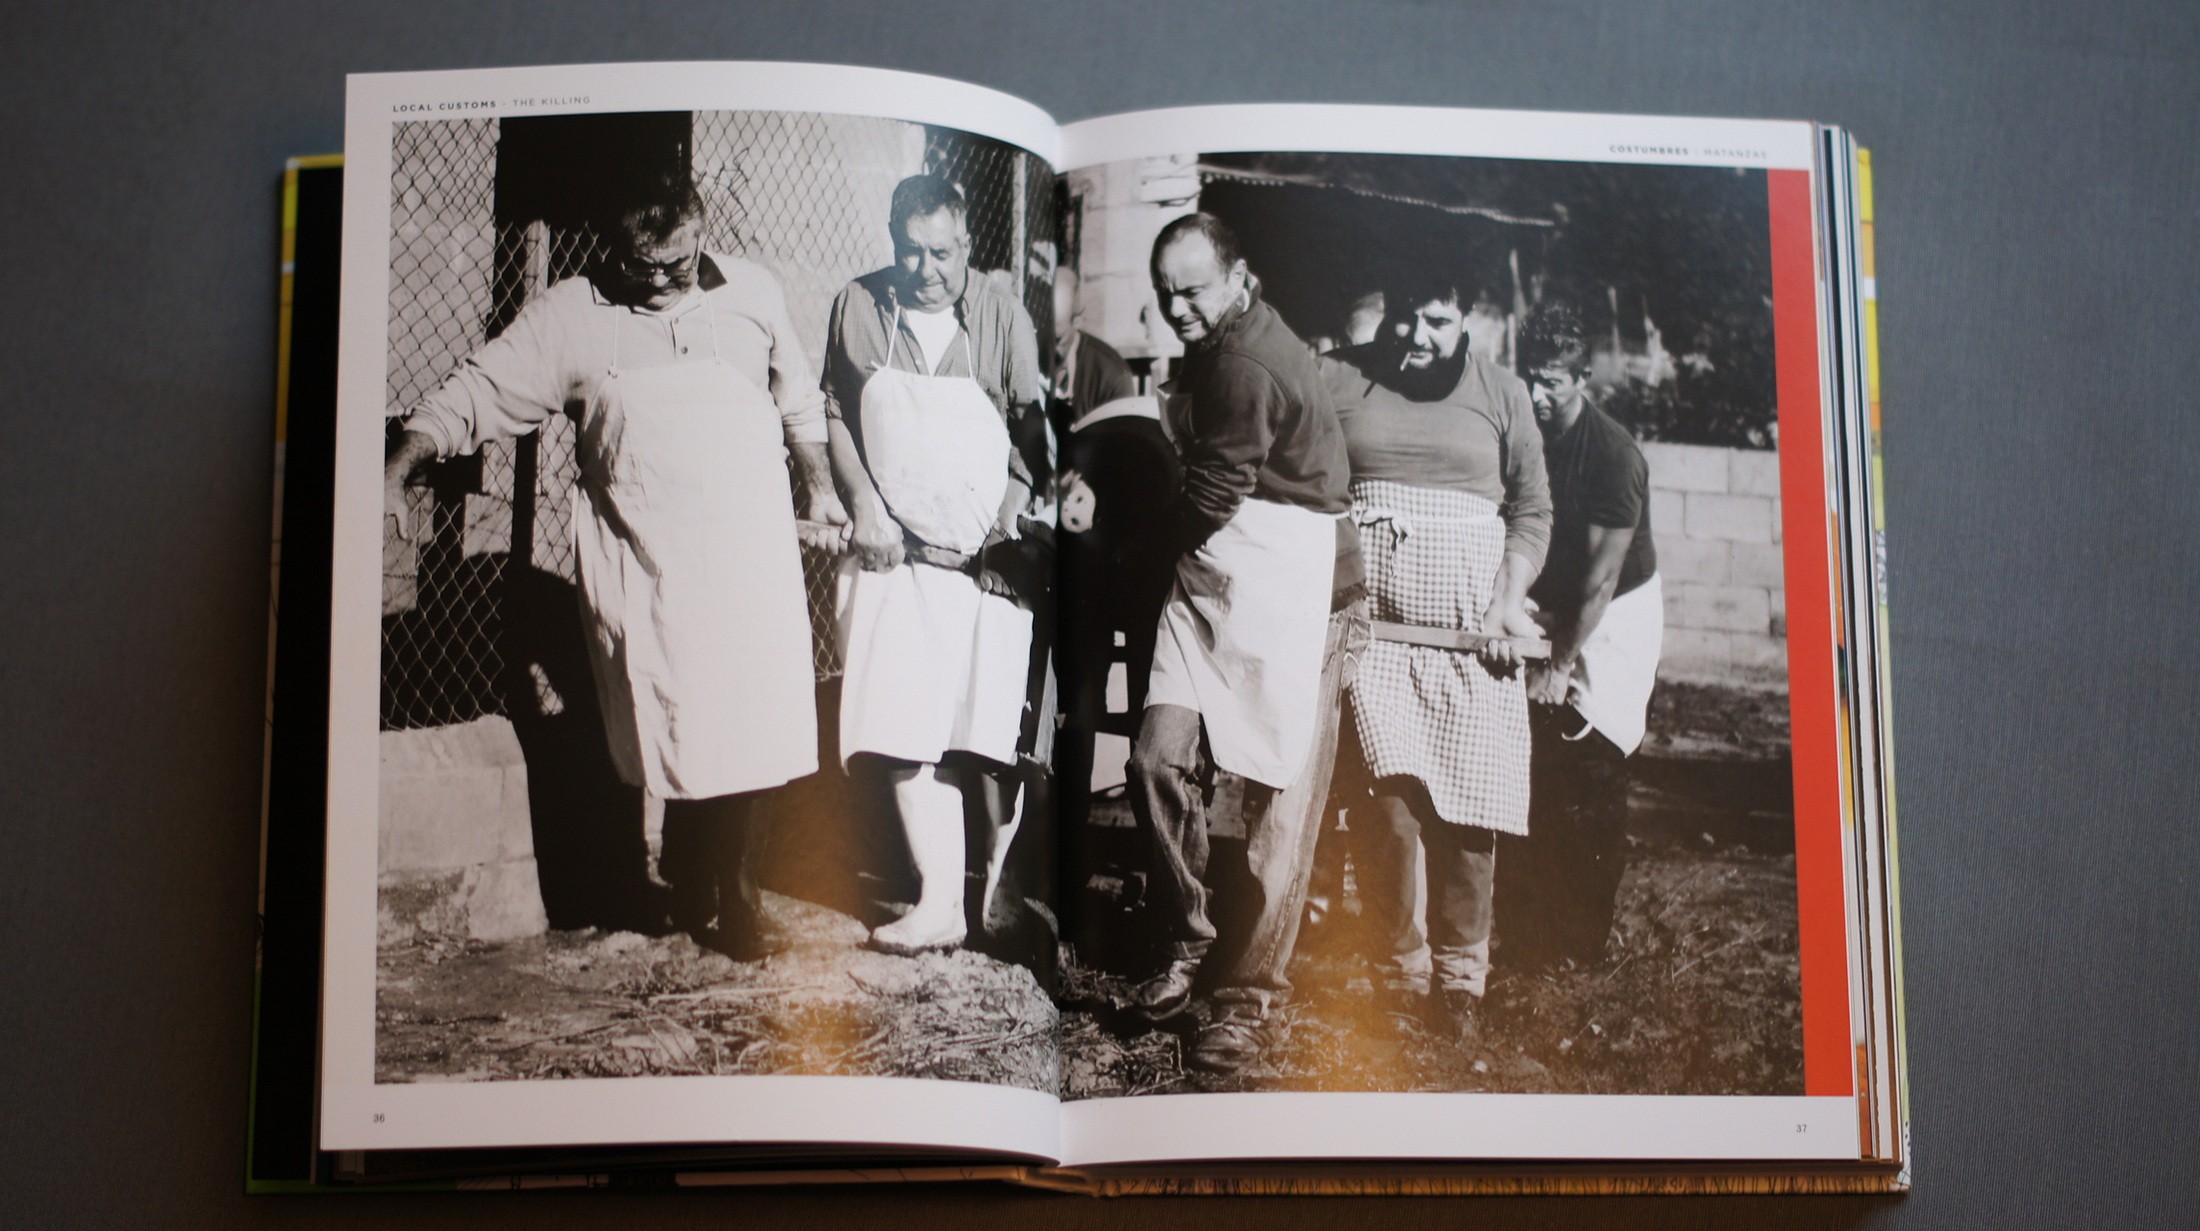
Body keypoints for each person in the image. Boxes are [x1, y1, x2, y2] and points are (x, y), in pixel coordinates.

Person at [384, 173, 845, 960]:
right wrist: (401, 464)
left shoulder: (754, 293)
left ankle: (735, 896)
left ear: (702, 232)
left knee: (758, 719)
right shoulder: (573, 314)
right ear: (611, 247)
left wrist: (824, 489)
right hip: (652, 562)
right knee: (681, 718)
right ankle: (680, 877)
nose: (660, 281)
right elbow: (481, 390)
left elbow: (797, 400)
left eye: (677, 262)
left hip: (751, 556)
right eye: (641, 265)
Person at [1123, 213, 1362, 1075]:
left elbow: (1214, 491)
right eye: (1166, 293)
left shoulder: (1249, 361)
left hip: (1294, 587)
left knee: (1280, 805)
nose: (1178, 307)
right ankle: (1189, 937)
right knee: (1156, 757)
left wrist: (1139, 551)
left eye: (1193, 290)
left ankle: (1246, 999)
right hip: (1212, 577)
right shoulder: (1215, 344)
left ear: (1238, 277)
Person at [822, 174, 1049, 956]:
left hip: (985, 556)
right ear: (893, 244)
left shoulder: (1002, 317)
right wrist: (864, 506)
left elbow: (1029, 436)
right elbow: (836, 413)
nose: (927, 270)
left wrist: (1006, 523)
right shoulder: (857, 306)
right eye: (911, 253)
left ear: (968, 244)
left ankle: (995, 896)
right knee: (901, 722)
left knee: (982, 729)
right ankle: (937, 901)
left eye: (943, 253)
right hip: (897, 553)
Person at [1322, 273, 1552, 1035]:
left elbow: (1533, 507)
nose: (1416, 336)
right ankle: (1401, 966)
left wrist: (1506, 601)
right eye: (1404, 317)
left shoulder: (1502, 393)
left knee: (1470, 813)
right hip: (1375, 633)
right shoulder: (1340, 377)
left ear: (1466, 320)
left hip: (1471, 637)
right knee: (1388, 809)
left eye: (1437, 321)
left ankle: (1460, 978)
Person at [1504, 302, 1663, 965]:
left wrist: (1559, 664)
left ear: (1582, 378)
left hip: (1615, 609)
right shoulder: (1521, 428)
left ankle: (1583, 942)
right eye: (1529, 377)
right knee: (1533, 755)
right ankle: (1527, 928)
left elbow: (1600, 582)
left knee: (1594, 758)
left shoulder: (1614, 454)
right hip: (1551, 594)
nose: (1537, 394)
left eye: (1551, 382)